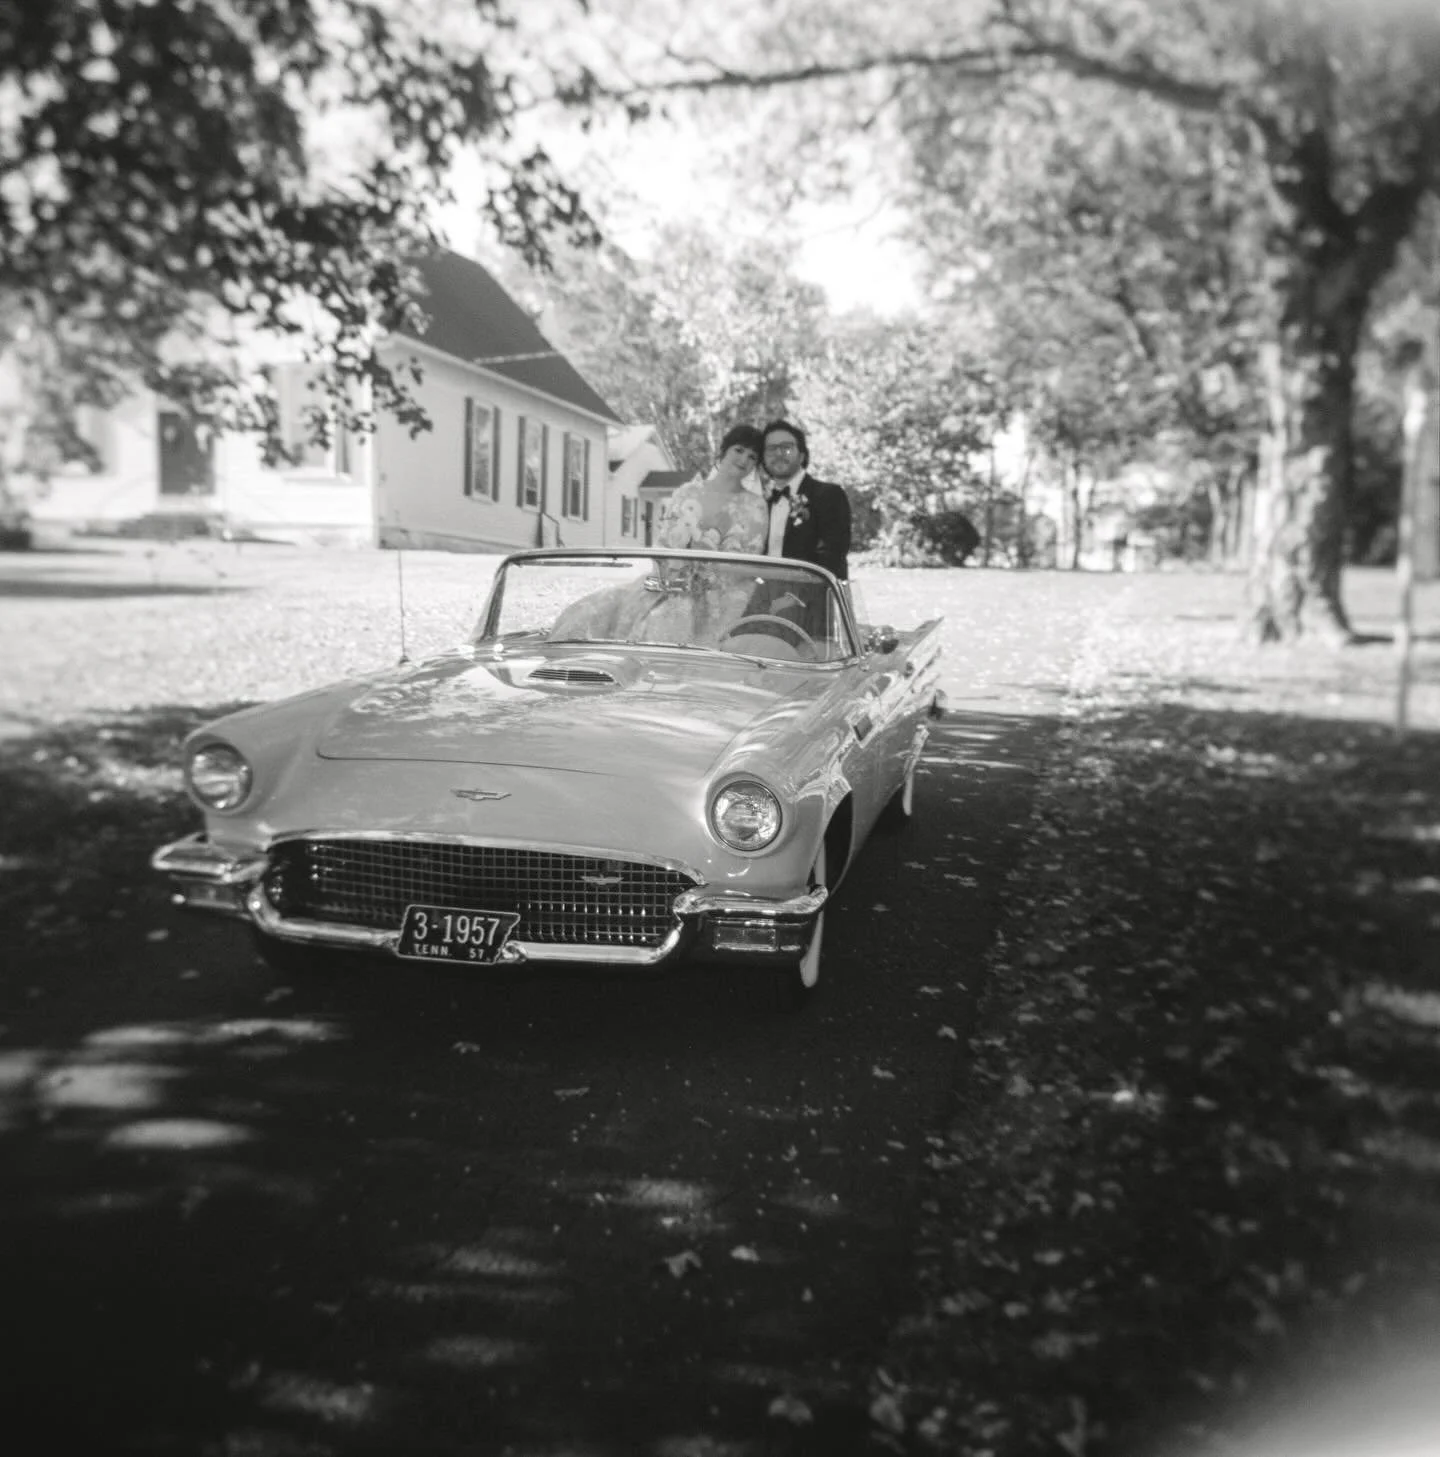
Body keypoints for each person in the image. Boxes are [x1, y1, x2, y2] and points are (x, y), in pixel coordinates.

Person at [759, 418, 852, 581]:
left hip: (811, 600)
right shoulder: (760, 503)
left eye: (786, 448)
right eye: (771, 449)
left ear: (802, 455)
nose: (779, 454)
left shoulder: (828, 495)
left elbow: (832, 558)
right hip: (765, 600)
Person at [654, 423, 768, 552]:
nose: (744, 460)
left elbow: (753, 555)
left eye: (752, 457)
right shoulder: (687, 493)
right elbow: (664, 544)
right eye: (739, 450)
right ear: (724, 450)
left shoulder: (756, 506)